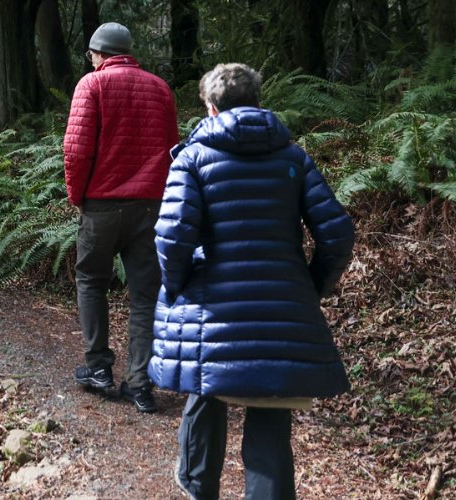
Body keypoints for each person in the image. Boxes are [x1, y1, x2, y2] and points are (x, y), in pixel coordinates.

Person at [155, 63, 355, 500]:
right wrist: (309, 286)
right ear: (260, 103)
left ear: (210, 108)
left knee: (206, 385)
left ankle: (197, 485)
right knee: (269, 412)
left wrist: (178, 285)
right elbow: (337, 234)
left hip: (213, 309)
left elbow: (173, 237)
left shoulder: (192, 157)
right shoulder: (293, 157)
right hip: (281, 311)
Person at [61, 22, 180, 413]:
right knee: (145, 294)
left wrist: (77, 196)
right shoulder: (159, 87)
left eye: (92, 55)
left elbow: (76, 151)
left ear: (99, 54)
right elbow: (172, 148)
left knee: (92, 280)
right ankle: (140, 384)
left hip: (101, 205)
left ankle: (98, 368)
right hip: (149, 206)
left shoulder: (91, 85)